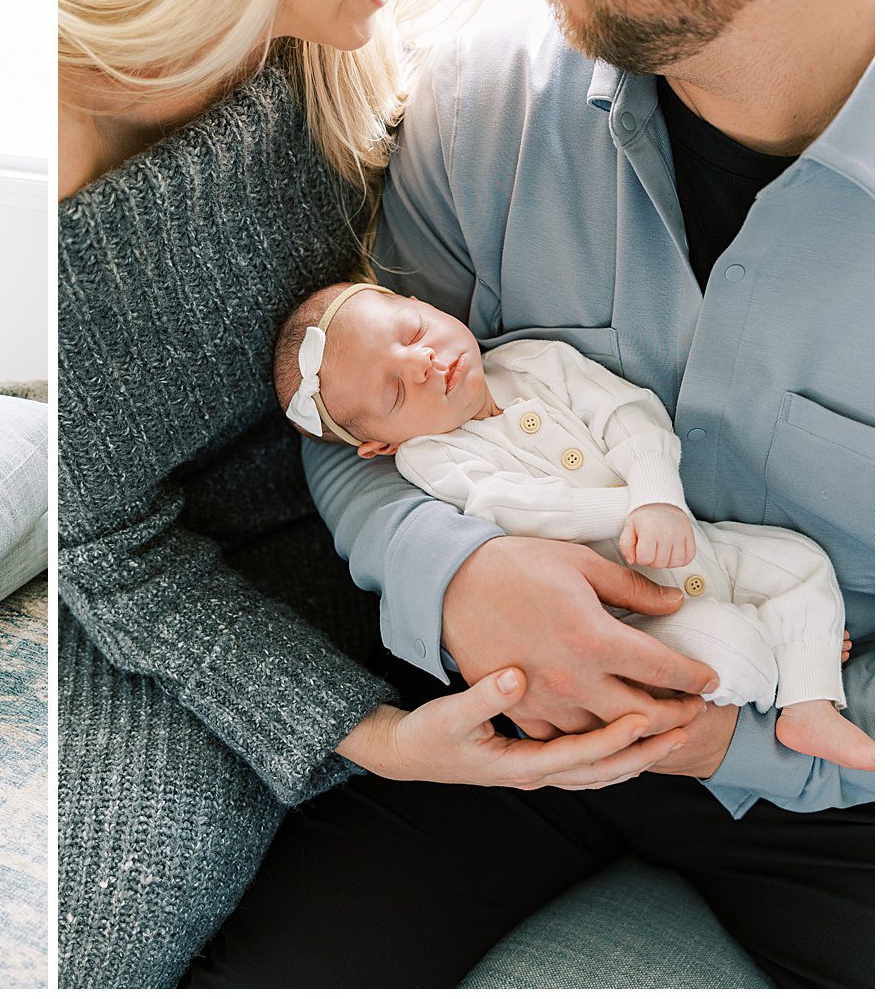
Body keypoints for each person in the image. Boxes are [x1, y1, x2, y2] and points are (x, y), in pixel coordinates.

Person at [184, 0, 873, 988]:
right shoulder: (479, 106)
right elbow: (360, 437)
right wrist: (458, 579)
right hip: (505, 735)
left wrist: (743, 741)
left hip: (828, 795)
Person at [57, 0, 709, 988]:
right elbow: (109, 552)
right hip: (173, 603)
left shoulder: (338, 53)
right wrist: (377, 737)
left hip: (404, 538)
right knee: (93, 936)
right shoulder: (60, 149)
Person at [275, 280, 870, 769]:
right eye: (396, 390)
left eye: (412, 333)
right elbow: (517, 507)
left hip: (694, 541)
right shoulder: (433, 458)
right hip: (627, 614)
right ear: (380, 445)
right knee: (731, 652)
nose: (425, 364)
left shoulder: (535, 362)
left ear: (422, 304)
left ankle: (809, 704)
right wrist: (623, 512)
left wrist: (656, 495)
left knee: (802, 565)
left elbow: (626, 413)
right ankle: (787, 658)